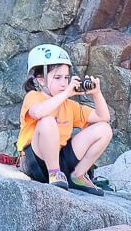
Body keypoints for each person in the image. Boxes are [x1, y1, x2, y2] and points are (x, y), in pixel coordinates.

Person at [17, 44, 112, 196]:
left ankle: (78, 175)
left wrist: (97, 93)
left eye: (66, 78)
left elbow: (103, 117)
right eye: (57, 77)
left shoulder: (69, 104)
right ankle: (54, 172)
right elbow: (37, 113)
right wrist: (66, 94)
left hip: (61, 160)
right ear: (41, 80)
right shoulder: (34, 96)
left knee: (104, 129)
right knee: (47, 121)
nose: (63, 83)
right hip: (36, 161)